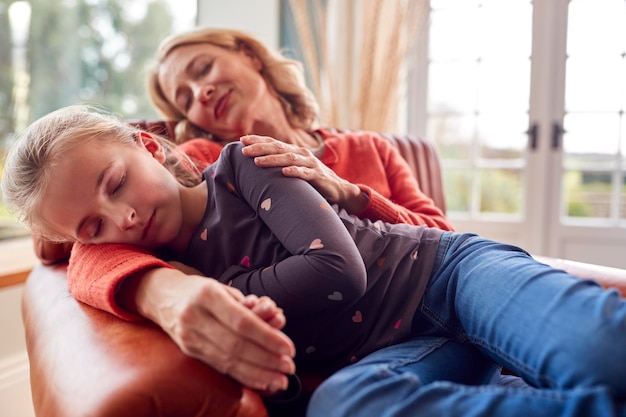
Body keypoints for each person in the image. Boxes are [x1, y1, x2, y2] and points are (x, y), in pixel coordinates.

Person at [4, 106, 626, 417]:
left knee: (600, 352)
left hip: (448, 276)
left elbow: (336, 269)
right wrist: (74, 239)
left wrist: (230, 288)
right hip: (396, 352)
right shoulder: (137, 260)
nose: (123, 221)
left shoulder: (243, 165)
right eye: (95, 226)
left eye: (116, 185)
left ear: (147, 145)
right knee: (342, 407)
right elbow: (63, 255)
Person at [32, 27, 454, 394]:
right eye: (186, 98)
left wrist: (349, 193)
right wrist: (160, 292)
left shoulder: (369, 149)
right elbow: (75, 249)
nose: (201, 92)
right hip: (363, 357)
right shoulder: (200, 165)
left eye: (202, 70)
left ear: (249, 57)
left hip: (432, 292)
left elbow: (442, 234)